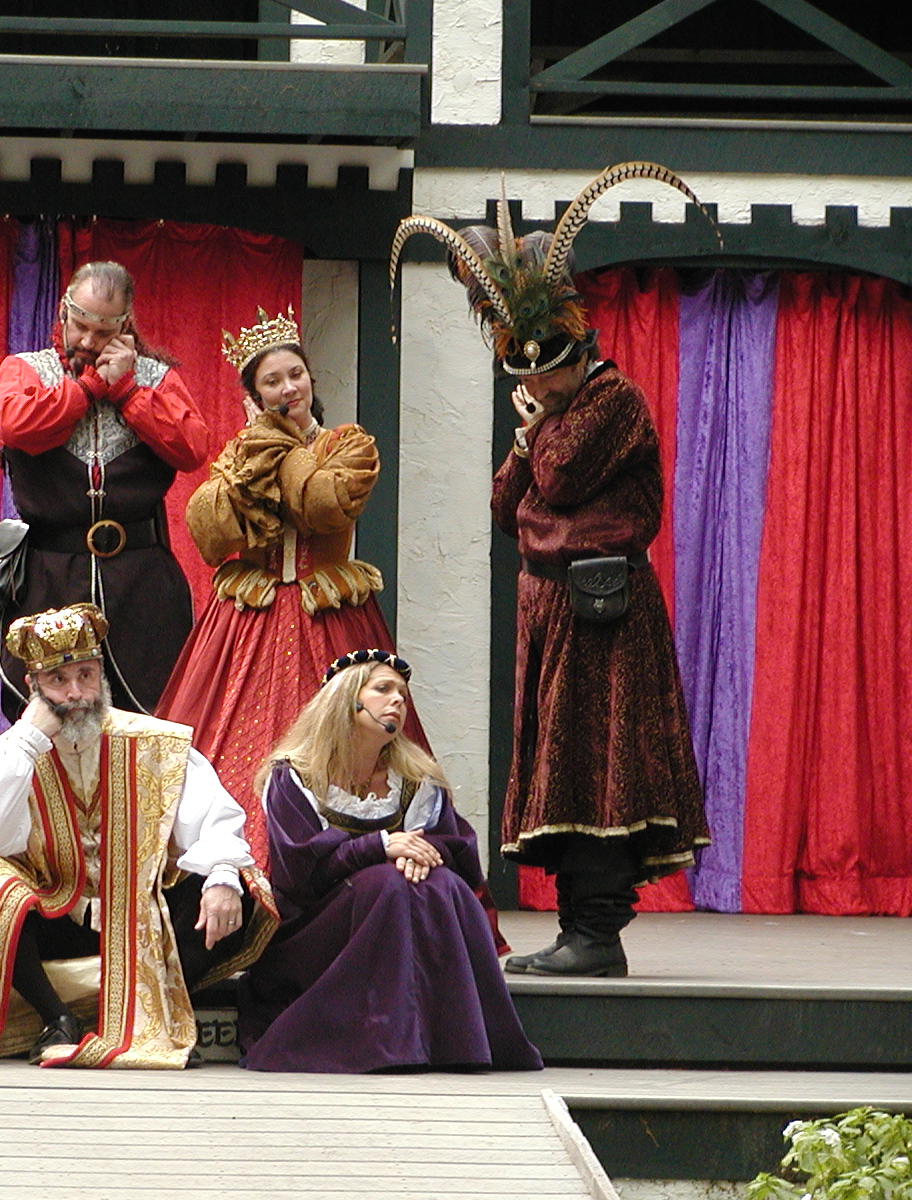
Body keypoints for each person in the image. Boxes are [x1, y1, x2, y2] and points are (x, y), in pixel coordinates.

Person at [391, 162, 711, 977]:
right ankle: (578, 930)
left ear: (576, 356)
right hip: (552, 613)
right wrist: (526, 441)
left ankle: (597, 935)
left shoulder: (614, 401)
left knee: (600, 768)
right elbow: (507, 507)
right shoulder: (553, 416)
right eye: (523, 376)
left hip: (604, 615)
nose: (533, 387)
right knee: (561, 771)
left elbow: (560, 480)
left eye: (543, 372)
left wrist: (534, 434)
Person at [0, 603, 277, 1068]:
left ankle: (133, 1012)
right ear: (33, 687)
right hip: (56, 919)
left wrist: (221, 876)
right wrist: (28, 742)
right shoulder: (12, 753)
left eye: (86, 675)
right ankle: (57, 1017)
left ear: (102, 674)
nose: (76, 693)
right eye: (58, 680)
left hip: (145, 921)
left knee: (241, 887)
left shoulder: (155, 743)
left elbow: (216, 822)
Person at [157, 306, 422, 871]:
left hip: (328, 616)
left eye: (295, 375)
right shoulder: (241, 455)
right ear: (254, 396)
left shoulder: (349, 446)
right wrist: (256, 449)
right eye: (272, 381)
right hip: (247, 620)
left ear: (311, 379)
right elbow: (210, 531)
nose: (288, 389)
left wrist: (279, 444)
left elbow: (321, 506)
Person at [238, 650, 542, 1073]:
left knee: (438, 884)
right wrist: (380, 847)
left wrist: (419, 854)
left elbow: (456, 850)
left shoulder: (416, 779)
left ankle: (454, 1043)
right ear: (346, 700)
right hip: (315, 928)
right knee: (387, 884)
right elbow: (299, 873)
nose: (398, 700)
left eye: (402, 693)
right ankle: (383, 1042)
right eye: (383, 689)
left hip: (397, 901)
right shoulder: (295, 776)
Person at [0, 261, 211, 717]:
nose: (88, 342)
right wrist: (88, 388)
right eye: (80, 326)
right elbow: (16, 425)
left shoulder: (156, 379)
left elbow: (192, 448)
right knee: (47, 718)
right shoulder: (24, 370)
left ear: (125, 326)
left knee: (147, 718)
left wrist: (127, 391)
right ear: (63, 312)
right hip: (48, 581)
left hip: (141, 586)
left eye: (103, 332)